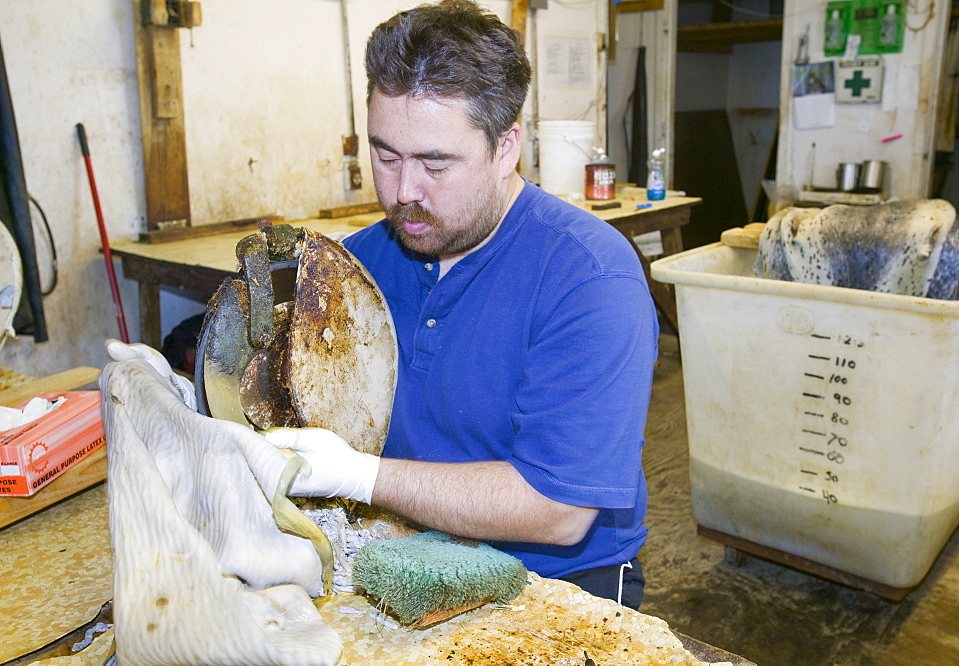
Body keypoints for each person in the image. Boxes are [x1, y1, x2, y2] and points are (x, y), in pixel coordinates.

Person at [113, 0, 658, 610]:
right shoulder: (356, 266)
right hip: (393, 547)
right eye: (386, 155)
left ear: (508, 146)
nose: (403, 193)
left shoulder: (589, 278)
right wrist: (196, 404)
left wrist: (360, 477)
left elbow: (558, 511)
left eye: (435, 163)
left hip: (552, 583)